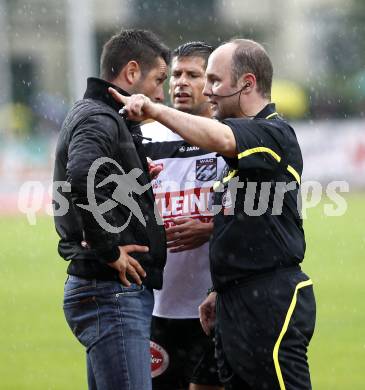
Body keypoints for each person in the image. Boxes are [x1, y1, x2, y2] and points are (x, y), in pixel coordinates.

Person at [109, 38, 316, 390]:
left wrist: (156, 110)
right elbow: (243, 224)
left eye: (214, 81)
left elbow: (221, 139)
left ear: (247, 84)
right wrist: (218, 288)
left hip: (268, 300)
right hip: (230, 300)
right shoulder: (238, 152)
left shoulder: (272, 132)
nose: (207, 90)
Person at [53, 29, 170, 390]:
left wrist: (131, 173)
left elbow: (93, 176)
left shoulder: (99, 113)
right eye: (159, 79)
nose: (161, 94)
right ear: (131, 73)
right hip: (112, 291)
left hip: (106, 291)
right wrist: (107, 249)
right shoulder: (100, 117)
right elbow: (82, 174)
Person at [141, 42, 224, 390]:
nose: (181, 82)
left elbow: (256, 219)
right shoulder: (144, 139)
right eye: (175, 74)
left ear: (212, 85)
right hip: (156, 308)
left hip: (214, 307)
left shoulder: (228, 140)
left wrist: (211, 227)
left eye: (193, 74)